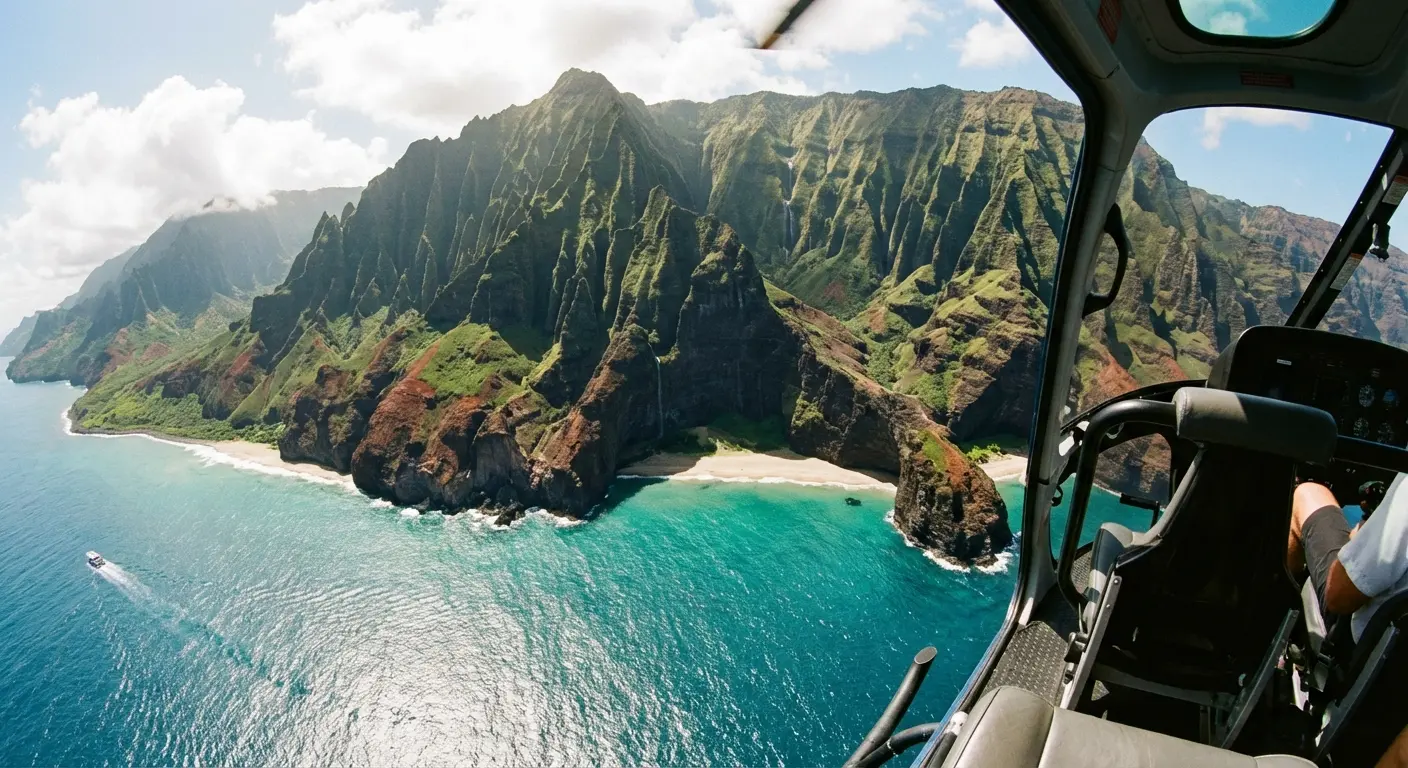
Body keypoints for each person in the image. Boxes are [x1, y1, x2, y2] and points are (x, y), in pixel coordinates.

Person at [1288, 477, 1408, 768]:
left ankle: (1275, 638)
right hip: (1397, 691)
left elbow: (1340, 595)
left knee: (1308, 493)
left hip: (1361, 656)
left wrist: (1360, 537)